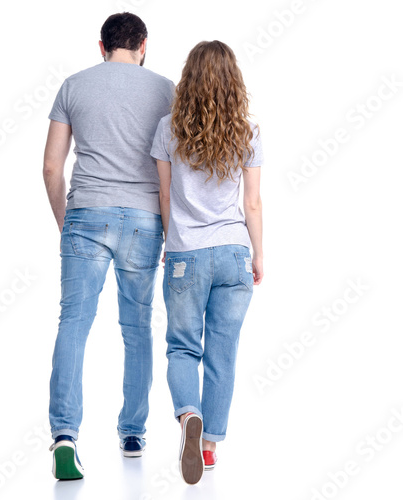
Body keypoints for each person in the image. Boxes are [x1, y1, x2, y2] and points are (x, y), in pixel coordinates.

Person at [43, 12, 175, 479]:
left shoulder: (74, 86)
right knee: (137, 327)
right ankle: (134, 432)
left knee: (73, 324)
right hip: (144, 219)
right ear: (143, 45)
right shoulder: (166, 90)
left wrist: (67, 221)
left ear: (101, 45)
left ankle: (65, 436)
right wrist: (171, 227)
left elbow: (51, 169)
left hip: (85, 215)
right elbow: (174, 169)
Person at [150, 40, 264, 485]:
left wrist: (168, 241)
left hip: (185, 254)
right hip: (235, 253)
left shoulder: (167, 128)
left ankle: (189, 417)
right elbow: (252, 203)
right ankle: (210, 447)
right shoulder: (248, 132)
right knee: (223, 353)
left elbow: (162, 194)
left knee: (182, 347)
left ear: (188, 78)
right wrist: (258, 254)